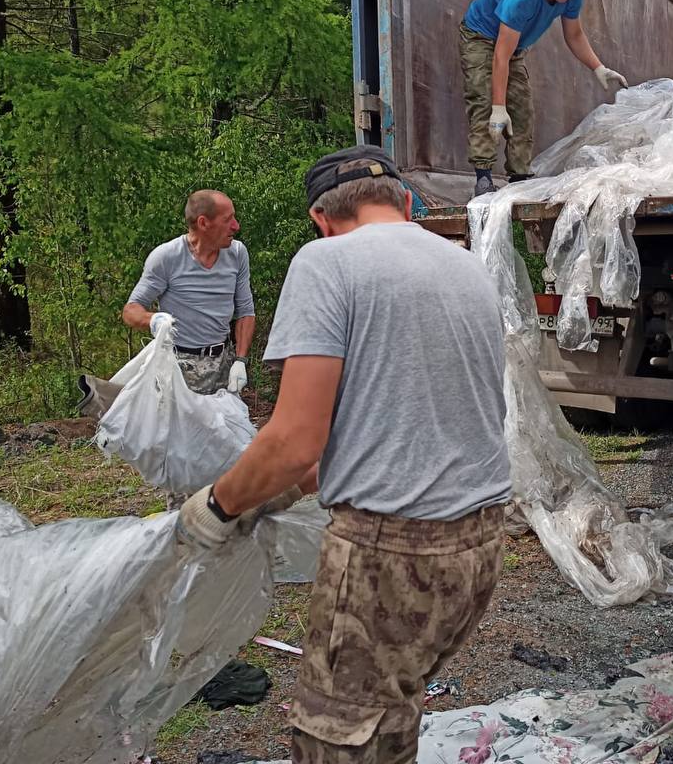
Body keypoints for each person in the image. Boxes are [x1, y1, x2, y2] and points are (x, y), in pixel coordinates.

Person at [176, 145, 512, 763]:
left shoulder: (326, 263)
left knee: (336, 741)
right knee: (391, 715)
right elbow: (356, 434)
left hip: (390, 556)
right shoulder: (465, 267)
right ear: (406, 203)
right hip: (479, 547)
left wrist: (216, 508)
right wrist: (268, 498)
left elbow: (294, 438)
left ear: (320, 219)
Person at [461, 0, 628, 198]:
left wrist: (598, 68)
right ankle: (483, 178)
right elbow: (500, 57)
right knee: (485, 102)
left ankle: (519, 178)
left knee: (522, 110)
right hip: (481, 37)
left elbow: (574, 34)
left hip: (514, 47)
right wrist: (498, 107)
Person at [122, 189, 255, 395]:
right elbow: (131, 311)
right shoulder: (167, 258)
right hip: (179, 370)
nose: (236, 226)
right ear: (203, 223)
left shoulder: (237, 253)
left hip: (224, 367)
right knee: (178, 427)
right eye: (228, 219)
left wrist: (240, 360)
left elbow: (246, 310)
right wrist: (154, 319)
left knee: (224, 425)